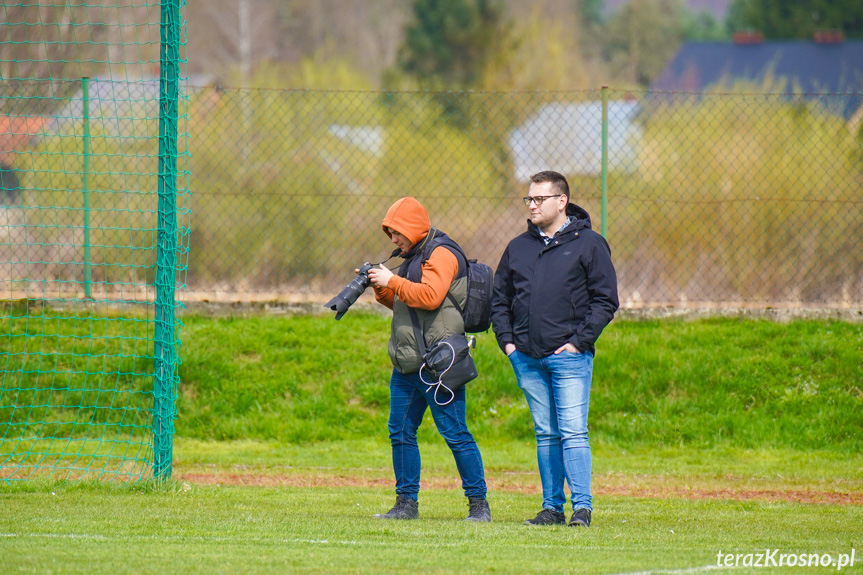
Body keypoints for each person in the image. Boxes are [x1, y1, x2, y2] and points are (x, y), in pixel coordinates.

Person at [491, 171, 619, 527]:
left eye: (539, 199)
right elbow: (500, 299)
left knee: (573, 431)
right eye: (528, 199)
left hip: (569, 358)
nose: (531, 205)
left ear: (561, 202)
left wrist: (579, 343)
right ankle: (551, 508)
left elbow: (606, 300)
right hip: (527, 357)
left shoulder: (589, 243)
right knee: (546, 432)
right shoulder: (518, 246)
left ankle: (582, 508)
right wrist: (509, 344)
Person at [365, 196, 491, 522]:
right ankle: (405, 505)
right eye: (389, 233)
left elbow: (431, 296)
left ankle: (479, 507)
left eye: (396, 232)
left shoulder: (442, 252)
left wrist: (391, 280)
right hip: (407, 363)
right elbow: (405, 304)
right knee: (401, 432)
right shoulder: (411, 256)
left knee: (455, 432)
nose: (393, 239)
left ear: (413, 227)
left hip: (438, 364)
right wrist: (381, 288)